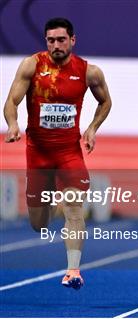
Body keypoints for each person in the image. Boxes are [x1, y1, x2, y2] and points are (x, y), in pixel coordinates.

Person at [3, 17, 112, 290]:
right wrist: (13, 124)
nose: (55, 45)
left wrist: (92, 128)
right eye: (50, 40)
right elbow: (11, 101)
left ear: (72, 40)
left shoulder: (89, 72)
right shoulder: (32, 65)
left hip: (68, 152)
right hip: (37, 153)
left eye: (61, 40)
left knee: (75, 209)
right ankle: (57, 201)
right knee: (38, 224)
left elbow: (105, 101)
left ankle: (73, 270)